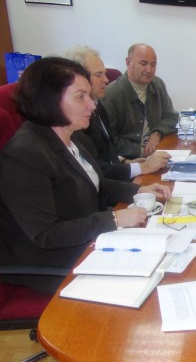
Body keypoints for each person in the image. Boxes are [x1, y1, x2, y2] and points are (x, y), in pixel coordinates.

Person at [0, 57, 171, 293]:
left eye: (89, 96)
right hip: (52, 259)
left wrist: (138, 189)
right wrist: (114, 219)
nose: (92, 105)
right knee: (155, 280)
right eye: (81, 97)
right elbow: (46, 234)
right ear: (49, 100)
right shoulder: (25, 155)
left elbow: (94, 183)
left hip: (89, 238)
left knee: (167, 248)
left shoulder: (72, 136)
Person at [64, 45, 171, 181]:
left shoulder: (97, 105)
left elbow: (107, 152)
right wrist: (140, 167)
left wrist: (125, 162)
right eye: (98, 75)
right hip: (108, 184)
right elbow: (94, 169)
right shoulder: (74, 121)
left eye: (153, 64)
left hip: (118, 173)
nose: (106, 80)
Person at [103, 43, 178, 159]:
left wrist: (157, 133)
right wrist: (142, 152)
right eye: (143, 64)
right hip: (130, 159)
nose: (149, 70)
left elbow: (171, 116)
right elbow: (110, 139)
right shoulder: (111, 94)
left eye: (153, 65)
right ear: (128, 62)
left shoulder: (158, 84)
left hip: (159, 149)